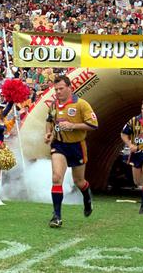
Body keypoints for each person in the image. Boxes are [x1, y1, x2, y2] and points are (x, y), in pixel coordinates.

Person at [45, 75, 98, 227]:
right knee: (56, 178)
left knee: (79, 181)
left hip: (77, 146)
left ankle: (87, 197)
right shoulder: (54, 105)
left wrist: (73, 126)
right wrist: (48, 133)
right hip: (59, 144)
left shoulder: (81, 104)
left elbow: (94, 125)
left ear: (70, 88)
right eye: (56, 89)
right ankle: (57, 216)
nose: (58, 92)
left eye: (61, 88)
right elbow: (49, 121)